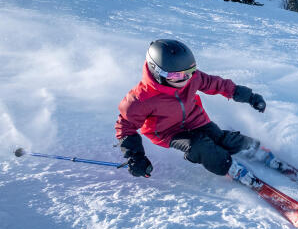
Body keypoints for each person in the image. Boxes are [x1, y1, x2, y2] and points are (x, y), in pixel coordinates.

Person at [115, 39, 278, 180]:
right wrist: (135, 157)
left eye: (190, 72)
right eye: (177, 76)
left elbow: (218, 84)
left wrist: (249, 97)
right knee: (201, 146)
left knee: (220, 138)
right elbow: (125, 127)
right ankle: (228, 167)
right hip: (168, 133)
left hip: (195, 120)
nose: (186, 79)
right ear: (157, 72)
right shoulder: (141, 98)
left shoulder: (192, 78)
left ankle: (253, 148)